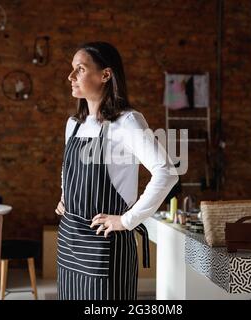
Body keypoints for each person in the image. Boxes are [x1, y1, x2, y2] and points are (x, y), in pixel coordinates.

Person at [55, 41, 179, 300]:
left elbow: (166, 172)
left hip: (104, 245)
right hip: (68, 241)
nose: (71, 76)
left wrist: (126, 220)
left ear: (105, 75)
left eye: (80, 69)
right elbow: (68, 170)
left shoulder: (127, 122)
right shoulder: (73, 125)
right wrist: (66, 196)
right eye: (72, 69)